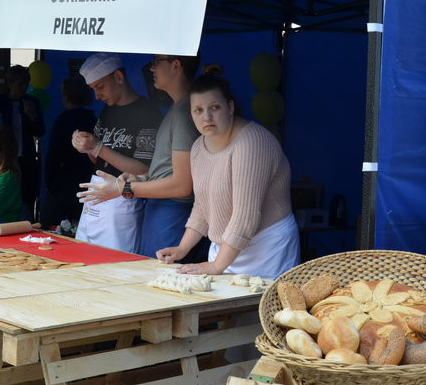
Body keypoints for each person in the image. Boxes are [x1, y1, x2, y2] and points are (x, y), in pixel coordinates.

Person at [156, 75, 300, 278]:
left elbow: (245, 216)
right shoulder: (198, 147)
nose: (206, 117)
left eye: (215, 107)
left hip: (266, 247)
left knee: (261, 306)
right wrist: (182, 248)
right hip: (225, 248)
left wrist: (216, 266)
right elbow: (202, 206)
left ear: (230, 107)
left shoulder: (252, 143)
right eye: (198, 110)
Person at [79, 54, 203, 261]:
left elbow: (182, 185)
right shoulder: (176, 108)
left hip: (171, 209)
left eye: (156, 62)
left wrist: (125, 187)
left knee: (155, 276)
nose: (151, 68)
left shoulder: (182, 112)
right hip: (156, 206)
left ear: (175, 65)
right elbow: (159, 169)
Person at [72, 53, 162, 252]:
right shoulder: (107, 109)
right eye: (93, 89)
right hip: (94, 192)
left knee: (114, 262)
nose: (97, 95)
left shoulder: (147, 112)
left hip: (121, 197)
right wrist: (85, 145)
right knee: (82, 255)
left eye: (100, 87)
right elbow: (97, 158)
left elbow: (144, 168)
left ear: (118, 77)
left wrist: (98, 147)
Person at [0, 65, 45, 219]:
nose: (24, 87)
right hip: (3, 158)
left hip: (25, 157)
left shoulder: (32, 102)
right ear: (10, 83)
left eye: (27, 83)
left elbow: (40, 132)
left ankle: (27, 225)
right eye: (20, 84)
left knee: (27, 196)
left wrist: (33, 116)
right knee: (5, 193)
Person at [39, 76, 97, 229]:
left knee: (50, 227)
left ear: (66, 96)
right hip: (87, 182)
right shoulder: (93, 118)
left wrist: (50, 184)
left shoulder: (63, 120)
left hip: (64, 184)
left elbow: (53, 155)